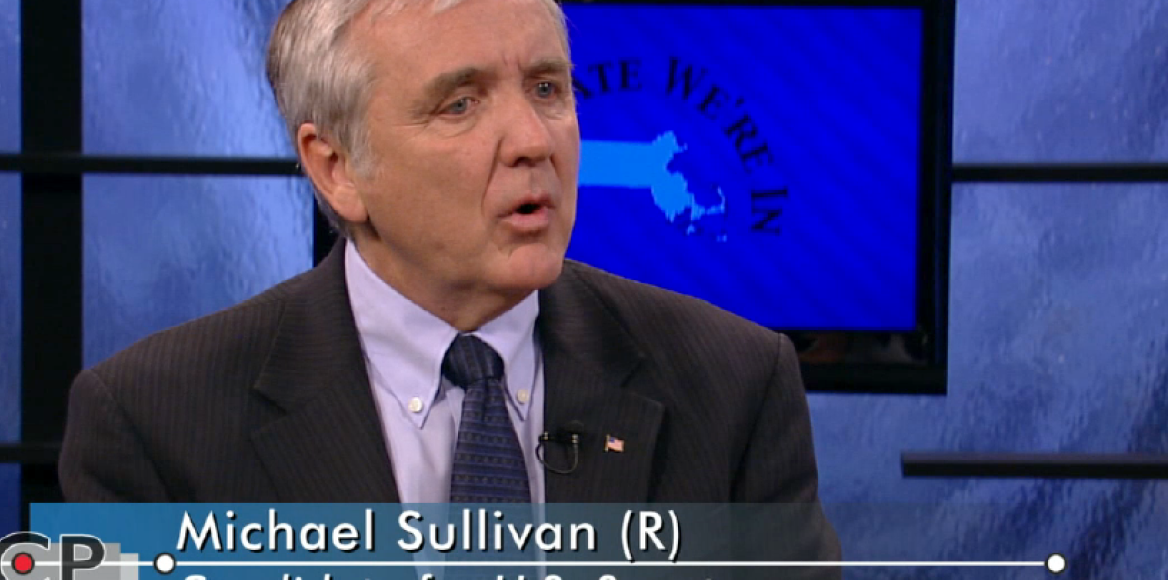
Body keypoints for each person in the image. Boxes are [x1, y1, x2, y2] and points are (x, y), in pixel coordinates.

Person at [59, 0, 838, 566]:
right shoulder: (154, 426)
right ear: (336, 167)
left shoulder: (733, 385)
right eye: (460, 104)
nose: (533, 141)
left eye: (547, 89)